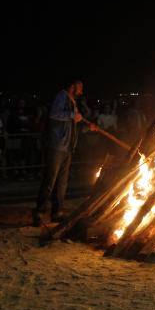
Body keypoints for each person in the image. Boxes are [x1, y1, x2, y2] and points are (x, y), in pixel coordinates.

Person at [33, 79, 96, 226]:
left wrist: (88, 127)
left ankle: (57, 212)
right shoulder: (61, 96)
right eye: (80, 87)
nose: (81, 91)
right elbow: (54, 114)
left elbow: (73, 126)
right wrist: (72, 116)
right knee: (50, 180)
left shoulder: (72, 101)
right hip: (57, 146)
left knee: (62, 182)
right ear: (72, 86)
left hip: (67, 147)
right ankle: (39, 212)